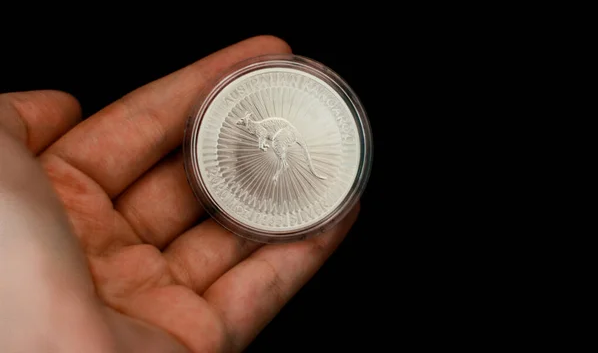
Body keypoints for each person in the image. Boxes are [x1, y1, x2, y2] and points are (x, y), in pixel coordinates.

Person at [0, 36, 360, 352]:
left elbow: (271, 134)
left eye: (246, 124)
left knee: (281, 155)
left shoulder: (268, 127)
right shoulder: (256, 126)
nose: (244, 125)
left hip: (282, 139)